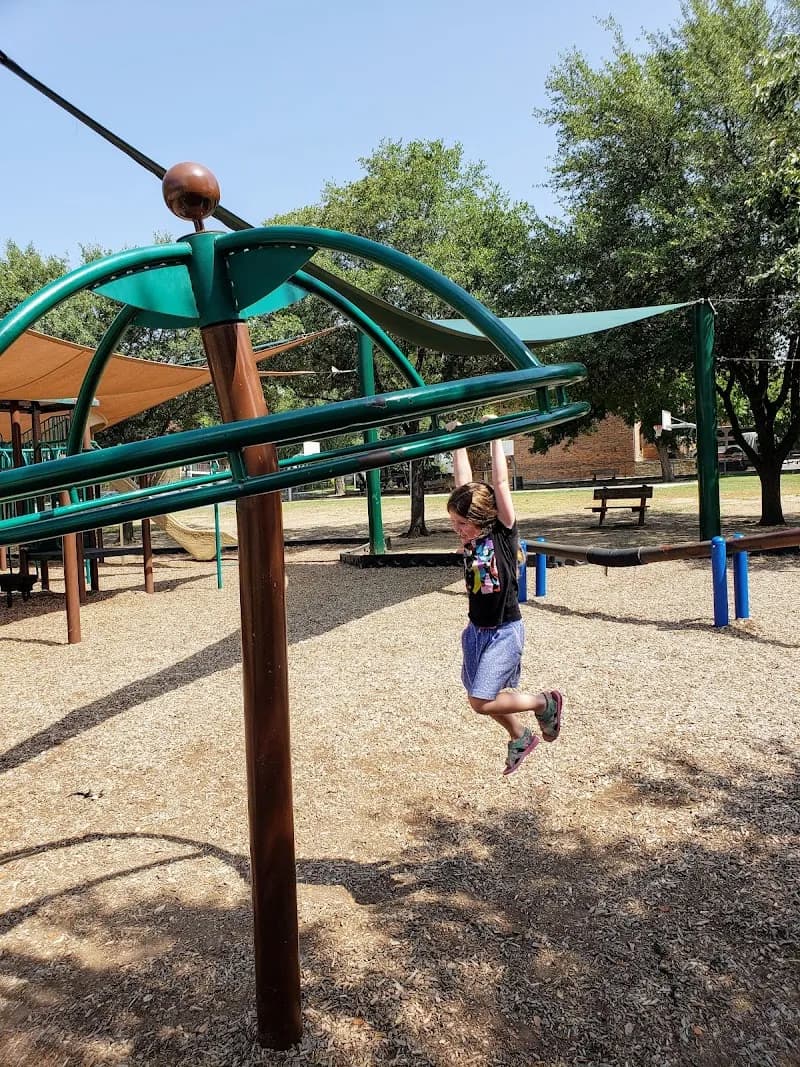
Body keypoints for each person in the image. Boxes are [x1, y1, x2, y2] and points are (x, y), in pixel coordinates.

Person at [446, 418, 564, 776]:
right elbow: (464, 484)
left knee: (481, 701)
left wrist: (497, 435)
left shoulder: (502, 533)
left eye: (463, 524)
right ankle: (520, 736)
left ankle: (546, 703)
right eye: (454, 523)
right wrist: (458, 440)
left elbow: (498, 483)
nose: (458, 530)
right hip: (476, 629)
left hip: (503, 630)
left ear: (485, 519)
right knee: (483, 696)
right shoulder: (470, 538)